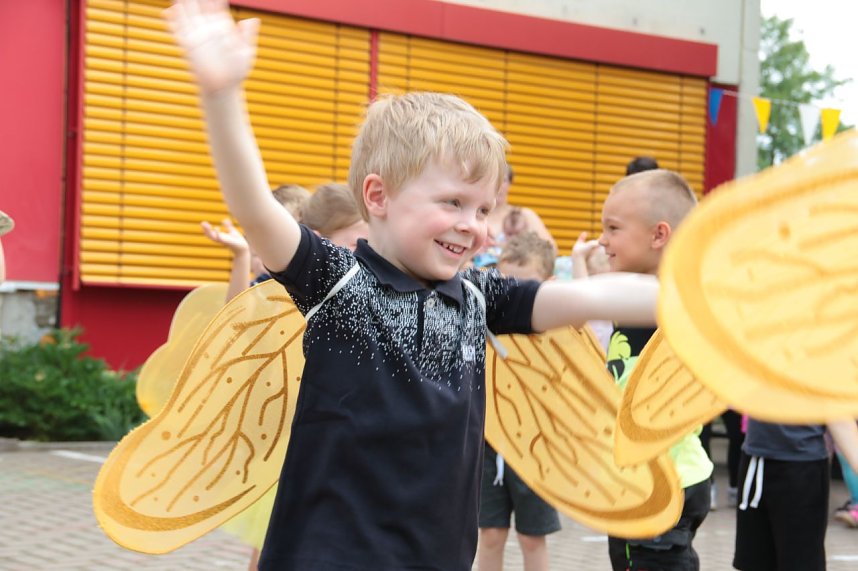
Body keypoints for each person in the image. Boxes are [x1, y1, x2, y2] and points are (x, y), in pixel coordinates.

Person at [165, 3, 659, 569]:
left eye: (483, 209)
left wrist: (693, 301)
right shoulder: (338, 283)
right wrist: (222, 93)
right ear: (378, 197)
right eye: (453, 202)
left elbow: (592, 297)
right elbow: (255, 209)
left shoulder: (478, 297)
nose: (473, 225)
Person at [599, 169, 714, 571]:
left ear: (658, 235)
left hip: (665, 482)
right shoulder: (631, 293)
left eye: (613, 228)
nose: (602, 240)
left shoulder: (674, 301)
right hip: (636, 480)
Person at [477, 233, 560, 571]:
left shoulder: (558, 332)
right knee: (490, 535)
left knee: (532, 538)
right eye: (506, 284)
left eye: (525, 287)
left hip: (537, 447)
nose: (514, 296)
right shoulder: (485, 324)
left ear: (549, 286)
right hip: (490, 444)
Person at [733, 419, 858, 570]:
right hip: (756, 460)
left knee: (801, 562)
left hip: (803, 467)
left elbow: (839, 420)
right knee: (755, 561)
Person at [474, 165, 554, 267]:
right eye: (494, 179)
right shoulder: (473, 215)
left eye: (503, 180)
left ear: (510, 184)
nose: (498, 185)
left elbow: (551, 250)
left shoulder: (524, 215)